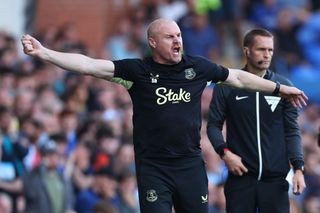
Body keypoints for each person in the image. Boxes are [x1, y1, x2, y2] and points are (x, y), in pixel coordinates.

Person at [21, 18, 307, 213]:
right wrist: (46, 53)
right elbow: (89, 65)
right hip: (154, 167)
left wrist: (280, 88)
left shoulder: (198, 67)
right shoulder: (137, 72)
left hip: (190, 165)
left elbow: (239, 78)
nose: (177, 41)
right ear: (153, 42)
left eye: (179, 36)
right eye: (170, 37)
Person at [207, 28, 306, 213]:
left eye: (270, 50)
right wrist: (225, 153)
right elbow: (213, 125)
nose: (267, 54)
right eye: (261, 49)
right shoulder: (226, 86)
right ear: (247, 51)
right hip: (240, 178)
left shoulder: (285, 87)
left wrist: (299, 168)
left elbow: (292, 130)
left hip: (275, 181)